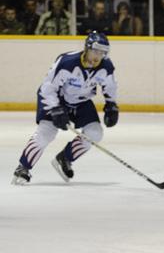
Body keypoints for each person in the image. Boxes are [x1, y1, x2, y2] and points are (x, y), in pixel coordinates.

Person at [12, 31, 119, 185]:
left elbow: (110, 86)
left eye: (102, 52)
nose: (98, 56)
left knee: (95, 133)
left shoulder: (106, 66)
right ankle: (23, 168)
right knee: (46, 133)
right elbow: (47, 88)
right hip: (58, 99)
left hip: (81, 102)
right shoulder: (67, 62)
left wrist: (111, 105)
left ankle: (65, 158)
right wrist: (55, 108)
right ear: (87, 48)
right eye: (95, 51)